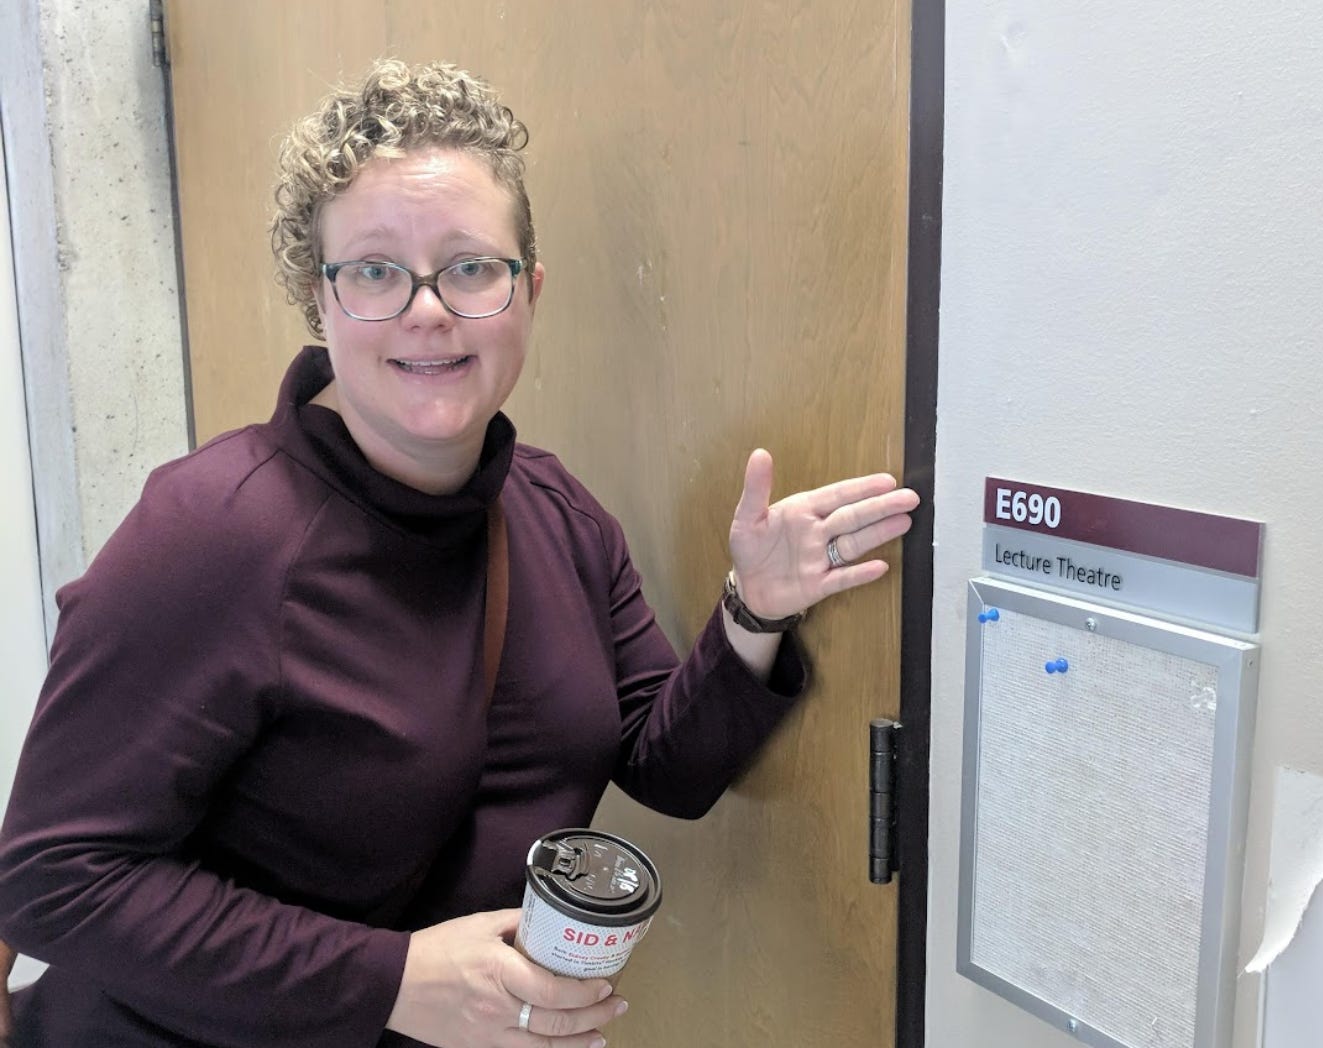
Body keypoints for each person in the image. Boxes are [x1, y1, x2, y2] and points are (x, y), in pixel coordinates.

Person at [0, 58, 919, 1048]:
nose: (427, 308)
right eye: (376, 271)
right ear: (321, 301)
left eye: (470, 266)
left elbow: (665, 767)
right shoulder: (211, 533)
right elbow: (53, 878)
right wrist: (392, 980)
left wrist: (756, 609)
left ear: (529, 288)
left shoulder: (554, 510)